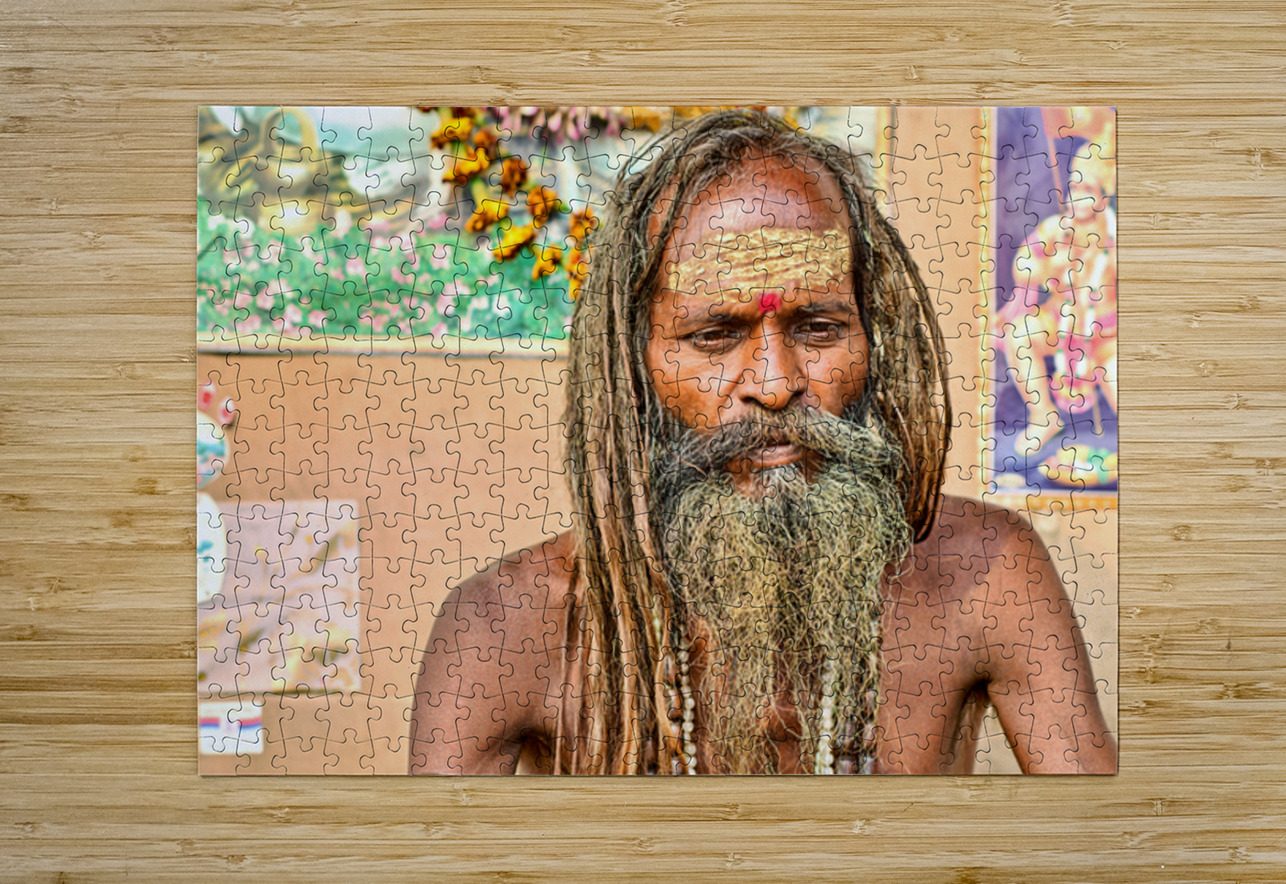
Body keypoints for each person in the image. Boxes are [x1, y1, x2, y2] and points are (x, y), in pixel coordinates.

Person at [409, 110, 1116, 775]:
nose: (776, 385)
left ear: (874, 337)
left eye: (819, 328)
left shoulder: (989, 573)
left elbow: (1102, 846)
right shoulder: (502, 627)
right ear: (633, 362)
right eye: (714, 336)